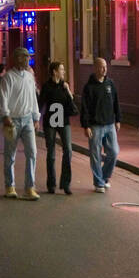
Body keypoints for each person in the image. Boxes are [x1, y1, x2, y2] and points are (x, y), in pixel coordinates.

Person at [0, 47, 41, 200]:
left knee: (32, 153)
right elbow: (3, 98)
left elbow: (33, 98)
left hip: (28, 119)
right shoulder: (8, 77)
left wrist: (36, 117)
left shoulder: (30, 77)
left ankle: (30, 187)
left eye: (28, 57)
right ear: (17, 59)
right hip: (13, 120)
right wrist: (5, 115)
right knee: (10, 155)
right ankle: (10, 186)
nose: (27, 60)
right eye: (25, 57)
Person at [80, 57, 121, 193]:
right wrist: (86, 126)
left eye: (106, 67)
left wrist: (118, 120)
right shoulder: (89, 87)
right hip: (95, 126)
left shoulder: (110, 84)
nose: (104, 70)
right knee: (96, 154)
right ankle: (99, 183)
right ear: (95, 68)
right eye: (102, 67)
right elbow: (84, 108)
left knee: (114, 152)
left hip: (109, 124)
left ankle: (104, 177)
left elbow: (116, 103)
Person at [38, 61, 77, 195]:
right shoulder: (47, 86)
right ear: (55, 71)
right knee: (51, 154)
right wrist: (36, 119)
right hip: (50, 122)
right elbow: (41, 103)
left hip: (63, 121)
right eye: (61, 69)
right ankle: (51, 184)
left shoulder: (64, 86)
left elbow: (71, 103)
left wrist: (67, 90)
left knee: (68, 150)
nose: (63, 72)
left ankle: (66, 183)